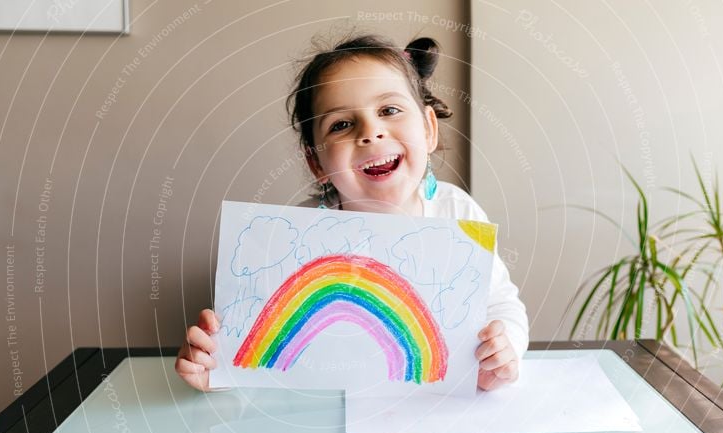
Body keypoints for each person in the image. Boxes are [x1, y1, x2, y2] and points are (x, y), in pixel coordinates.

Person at [176, 33, 529, 392]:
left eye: (389, 110)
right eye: (341, 124)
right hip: (324, 411)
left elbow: (502, 305)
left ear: (428, 128)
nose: (371, 132)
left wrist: (503, 352)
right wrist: (214, 367)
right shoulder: (297, 236)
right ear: (316, 162)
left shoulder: (459, 213)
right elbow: (258, 338)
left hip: (430, 407)